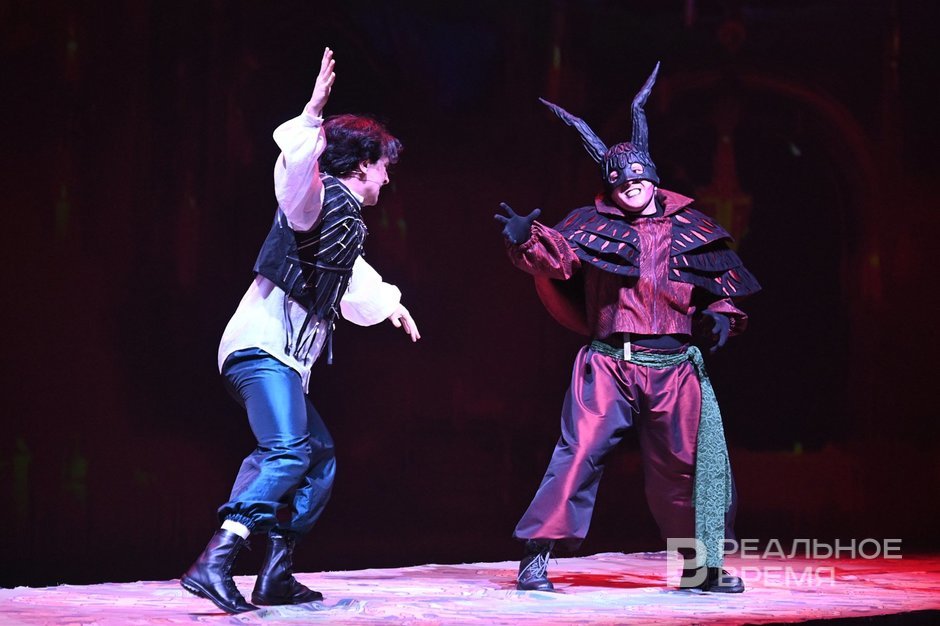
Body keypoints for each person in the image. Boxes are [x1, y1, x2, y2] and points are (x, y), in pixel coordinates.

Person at [495, 62, 759, 593]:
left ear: (652, 177)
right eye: (619, 180)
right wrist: (525, 240)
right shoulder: (591, 223)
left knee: (687, 469)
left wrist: (722, 317)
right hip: (610, 364)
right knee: (578, 454)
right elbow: (557, 259)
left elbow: (721, 286)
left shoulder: (692, 226)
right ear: (609, 187)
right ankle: (536, 555)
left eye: (637, 177)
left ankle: (701, 567)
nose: (630, 186)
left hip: (676, 369)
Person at [181, 47, 420, 614]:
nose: (388, 177)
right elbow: (294, 186)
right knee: (288, 450)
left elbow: (353, 277)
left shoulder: (346, 221)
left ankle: (275, 575)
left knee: (317, 456)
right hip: (259, 348)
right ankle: (215, 559)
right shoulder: (317, 197)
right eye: (383, 166)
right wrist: (312, 117)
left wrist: (391, 305)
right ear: (361, 164)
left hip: (285, 360)